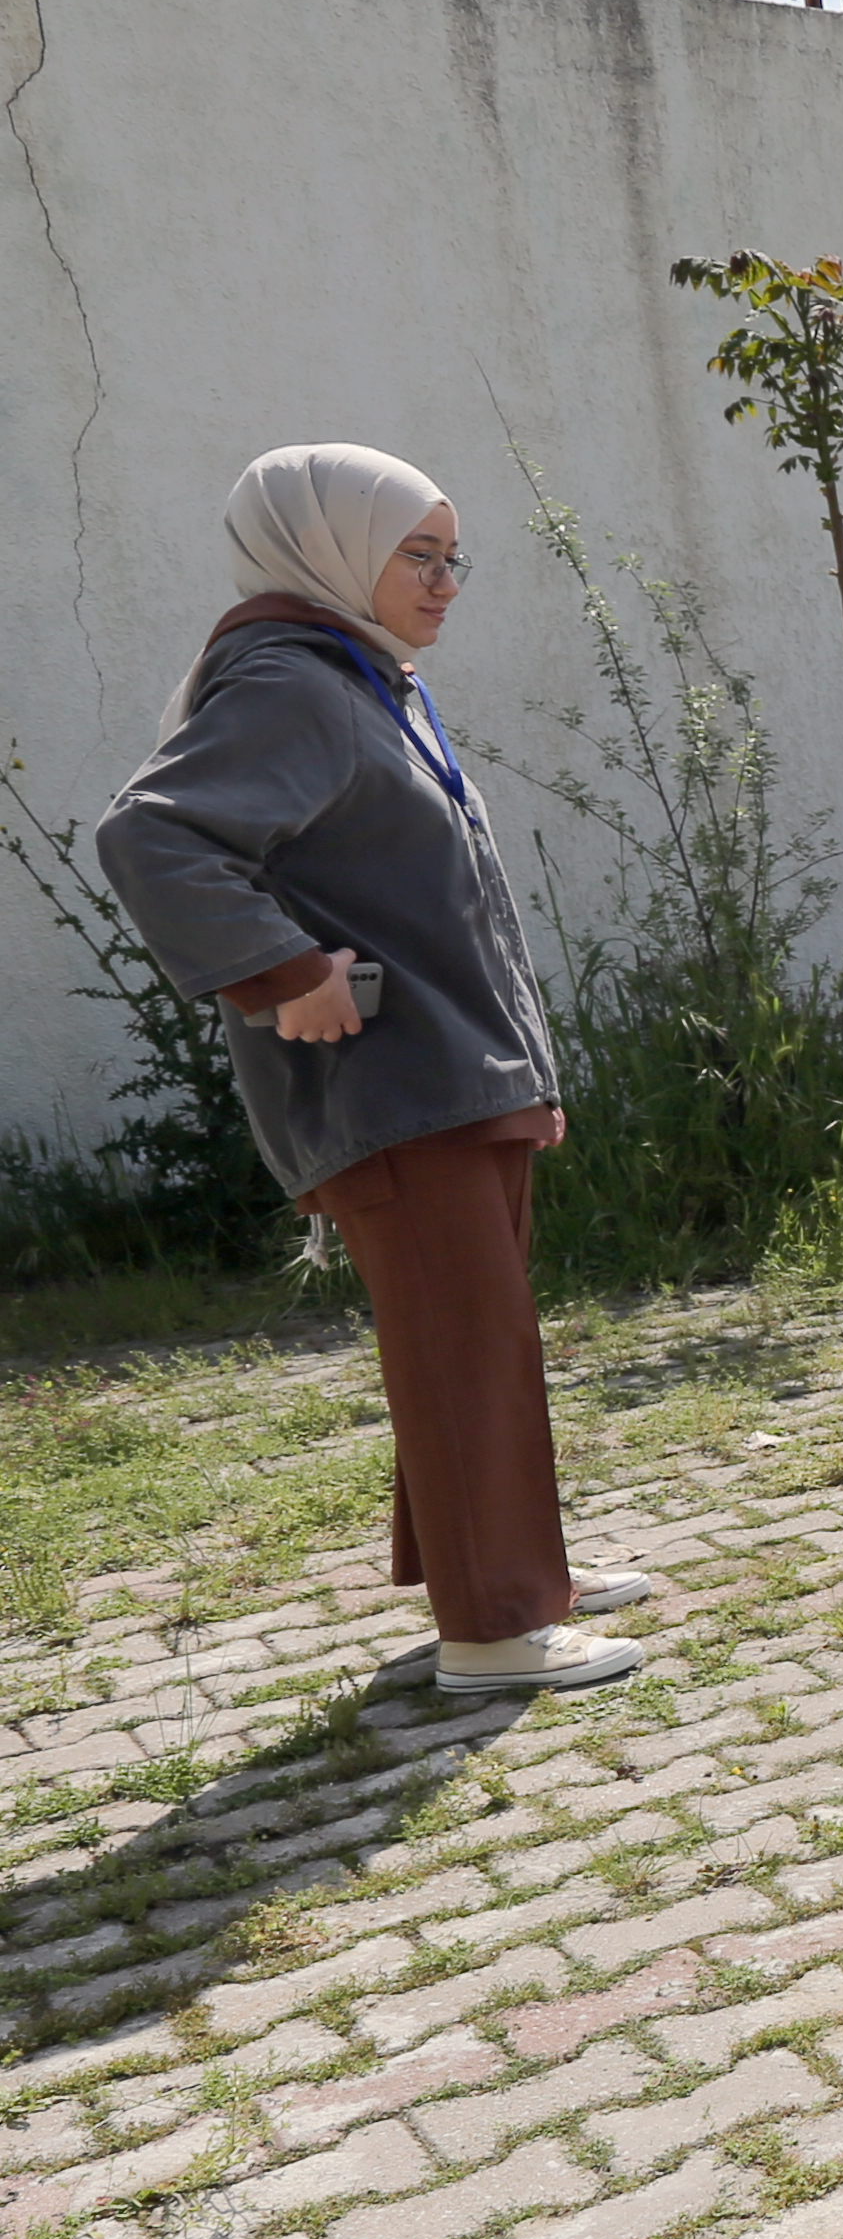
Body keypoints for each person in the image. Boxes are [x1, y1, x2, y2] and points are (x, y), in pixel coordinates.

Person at [97, 445, 652, 1695]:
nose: (447, 580)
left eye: (455, 555)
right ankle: (496, 1631)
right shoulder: (292, 682)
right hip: (395, 1089)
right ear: (330, 547)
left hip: (452, 1077)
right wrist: (283, 971)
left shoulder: (361, 677)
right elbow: (154, 835)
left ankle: (514, 1575)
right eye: (419, 553)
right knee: (463, 1349)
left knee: (475, 1343)